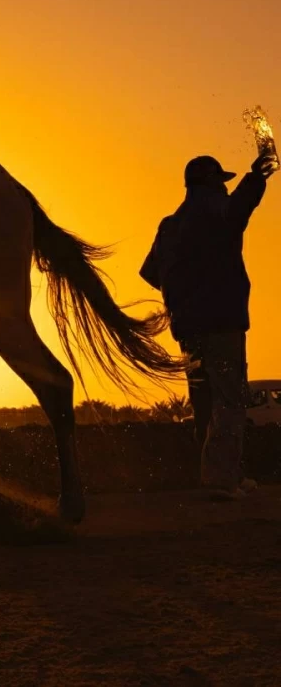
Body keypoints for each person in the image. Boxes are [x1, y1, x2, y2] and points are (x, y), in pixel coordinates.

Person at [139, 150, 276, 499]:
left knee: (203, 401)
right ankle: (221, 479)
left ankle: (214, 474)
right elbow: (241, 206)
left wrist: (183, 291)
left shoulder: (169, 226)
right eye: (222, 183)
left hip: (187, 328)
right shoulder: (218, 211)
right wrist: (258, 176)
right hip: (223, 322)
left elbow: (149, 272)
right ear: (214, 183)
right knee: (229, 399)